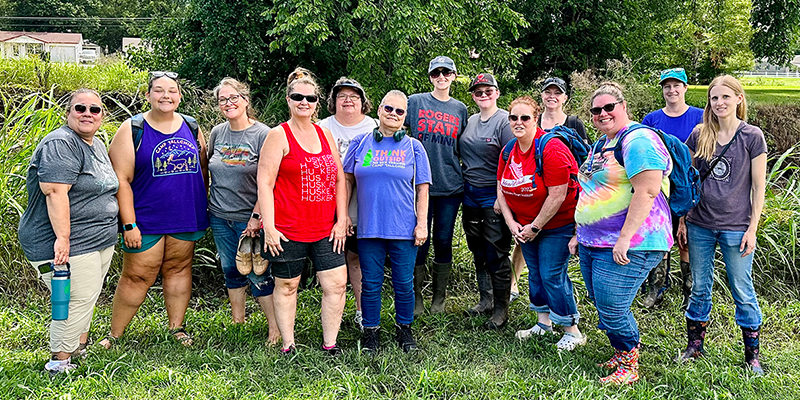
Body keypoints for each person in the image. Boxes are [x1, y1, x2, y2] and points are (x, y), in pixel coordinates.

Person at [570, 82, 673, 384]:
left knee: (613, 305)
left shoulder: (638, 139)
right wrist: (580, 232)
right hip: (594, 241)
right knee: (602, 301)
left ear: (623, 106)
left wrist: (625, 238)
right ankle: (619, 352)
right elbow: (590, 189)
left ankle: (629, 365)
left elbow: (648, 189)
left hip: (632, 242)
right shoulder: (601, 144)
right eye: (596, 110)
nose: (602, 113)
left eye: (608, 107)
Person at [102, 71, 209, 349]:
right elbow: (121, 180)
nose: (166, 96)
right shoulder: (132, 128)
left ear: (180, 96)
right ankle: (115, 334)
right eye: (159, 91)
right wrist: (129, 224)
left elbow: (204, 169)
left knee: (179, 269)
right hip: (145, 218)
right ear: (148, 95)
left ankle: (176, 328)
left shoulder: (192, 125)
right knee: (137, 276)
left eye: (171, 91)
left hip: (185, 215)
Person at [18, 89, 119, 373]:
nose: (88, 113)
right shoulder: (61, 143)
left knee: (88, 295)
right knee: (75, 298)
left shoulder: (96, 144)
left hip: (97, 238)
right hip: (67, 241)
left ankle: (78, 348)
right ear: (68, 113)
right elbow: (54, 192)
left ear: (102, 116)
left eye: (95, 110)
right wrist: (63, 239)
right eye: (80, 108)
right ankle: (59, 361)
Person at [676, 75, 766, 375]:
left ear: (739, 99)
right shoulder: (701, 133)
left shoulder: (752, 136)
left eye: (726, 97)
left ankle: (752, 355)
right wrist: (683, 219)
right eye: (714, 98)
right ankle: (695, 346)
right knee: (700, 287)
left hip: (736, 226)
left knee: (742, 288)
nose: (720, 103)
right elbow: (685, 179)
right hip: (700, 223)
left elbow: (758, 187)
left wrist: (752, 228)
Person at [257, 68, 348, 356]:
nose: (304, 102)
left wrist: (342, 218)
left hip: (325, 227)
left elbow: (339, 179)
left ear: (317, 103)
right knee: (287, 286)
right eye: (298, 97)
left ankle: (330, 343)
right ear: (288, 99)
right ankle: (288, 344)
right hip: (288, 228)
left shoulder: (325, 134)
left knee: (336, 284)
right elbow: (265, 182)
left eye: (310, 98)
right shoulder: (277, 135)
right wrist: (268, 227)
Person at [342, 90, 431, 353]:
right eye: (388, 109)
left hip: (404, 229)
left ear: (406, 117)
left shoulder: (414, 147)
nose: (393, 114)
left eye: (399, 111)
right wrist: (344, 215)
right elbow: (346, 181)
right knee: (370, 284)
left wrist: (422, 223)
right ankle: (371, 332)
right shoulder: (360, 143)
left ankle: (405, 331)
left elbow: (422, 189)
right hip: (369, 228)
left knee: (404, 284)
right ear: (379, 110)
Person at [496, 96, 585, 347]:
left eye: (525, 117)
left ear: (535, 119)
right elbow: (501, 189)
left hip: (555, 225)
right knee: (534, 273)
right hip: (524, 226)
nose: (519, 122)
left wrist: (535, 226)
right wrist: (512, 224)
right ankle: (543, 323)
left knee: (551, 274)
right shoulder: (509, 151)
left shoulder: (551, 148)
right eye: (514, 117)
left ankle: (572, 330)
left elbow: (558, 194)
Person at [207, 77, 279, 343]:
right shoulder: (217, 132)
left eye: (234, 97)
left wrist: (257, 217)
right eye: (223, 100)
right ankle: (238, 323)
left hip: (250, 219)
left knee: (259, 273)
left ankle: (274, 328)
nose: (228, 103)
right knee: (231, 270)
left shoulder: (264, 134)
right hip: (219, 216)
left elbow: (272, 182)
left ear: (246, 100)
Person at [404, 55, 468, 315]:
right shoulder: (416, 102)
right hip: (418, 185)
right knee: (419, 240)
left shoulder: (460, 109)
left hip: (450, 185)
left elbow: (463, 146)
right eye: (436, 73)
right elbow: (396, 127)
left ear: (454, 75)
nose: (441, 77)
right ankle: (416, 296)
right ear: (430, 77)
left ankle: (439, 298)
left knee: (443, 240)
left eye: (446, 72)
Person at [640, 67, 704, 309]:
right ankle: (657, 289)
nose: (672, 90)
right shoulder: (652, 119)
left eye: (677, 85)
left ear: (685, 88)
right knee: (661, 236)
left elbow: (706, 151)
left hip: (689, 186)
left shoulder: (699, 117)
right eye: (667, 86)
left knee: (686, 240)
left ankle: (690, 291)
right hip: (661, 187)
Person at [318, 77, 378, 331]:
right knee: (331, 256)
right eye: (342, 96)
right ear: (333, 101)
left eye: (354, 96)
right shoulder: (322, 126)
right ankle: (334, 310)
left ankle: (361, 311)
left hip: (361, 198)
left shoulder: (373, 126)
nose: (348, 100)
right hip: (325, 197)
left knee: (355, 255)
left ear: (363, 102)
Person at [459, 73, 515, 328]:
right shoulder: (470, 120)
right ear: (472, 95)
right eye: (478, 92)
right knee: (478, 250)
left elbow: (511, 162)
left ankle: (501, 310)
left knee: (496, 252)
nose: (483, 95)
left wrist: (501, 197)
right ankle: (486, 299)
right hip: (469, 193)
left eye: (488, 91)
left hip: (493, 196)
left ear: (497, 92)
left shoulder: (504, 121)